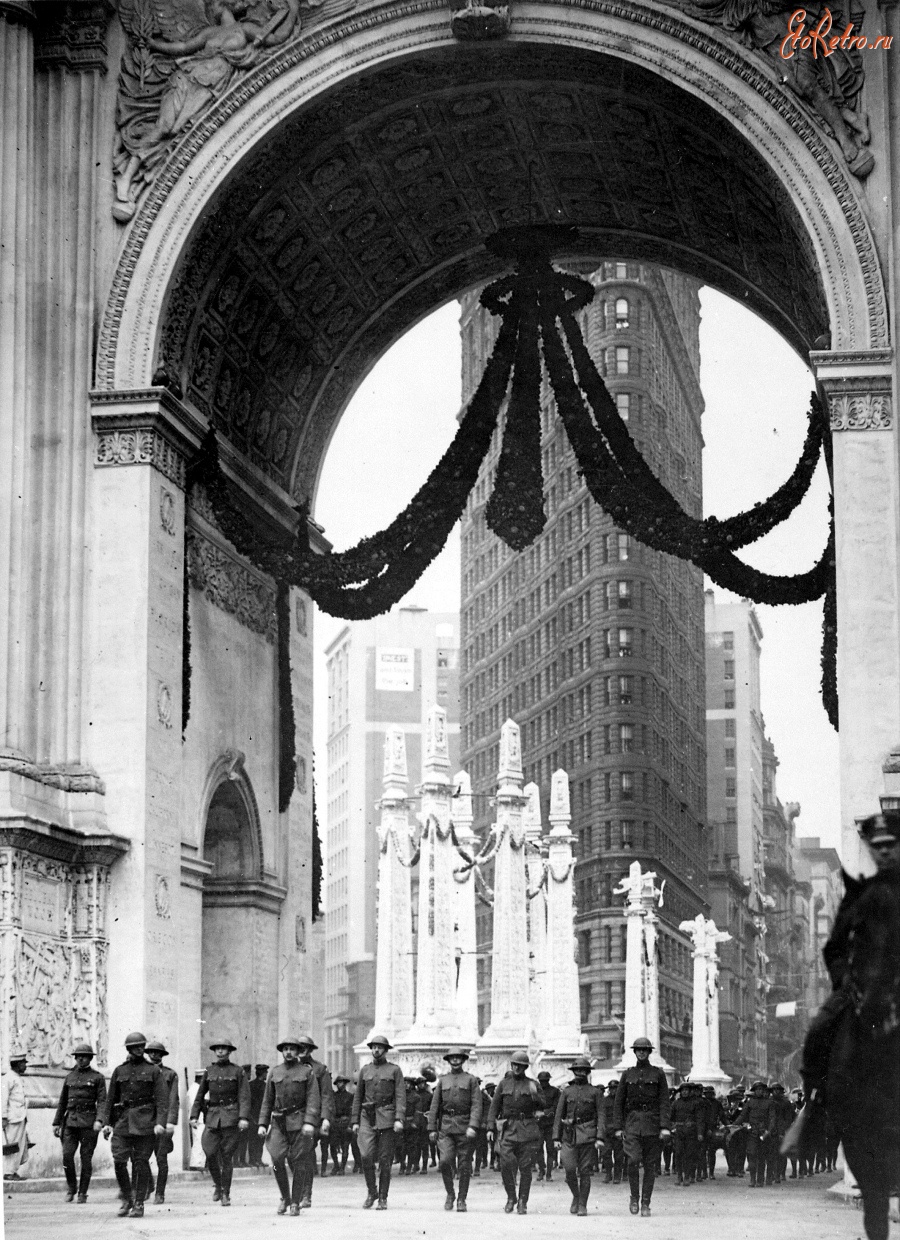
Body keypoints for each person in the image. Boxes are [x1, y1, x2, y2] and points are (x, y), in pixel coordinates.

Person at [100, 1031, 169, 1218]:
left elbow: (163, 1100)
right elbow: (110, 1099)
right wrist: (107, 1123)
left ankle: (138, 1203)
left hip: (145, 1123)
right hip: (122, 1123)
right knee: (119, 1161)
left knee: (140, 1163)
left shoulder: (154, 1071)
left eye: (141, 1046)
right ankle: (127, 1199)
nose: (139, 1049)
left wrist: (160, 1123)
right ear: (129, 1048)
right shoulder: (119, 1071)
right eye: (135, 1046)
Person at [258, 1035, 321, 1214]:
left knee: (299, 1161)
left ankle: (295, 1202)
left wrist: (309, 1122)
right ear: (282, 1051)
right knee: (276, 1158)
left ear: (298, 1051)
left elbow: (313, 1099)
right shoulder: (275, 1072)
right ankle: (285, 1197)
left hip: (299, 1121)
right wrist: (263, 1123)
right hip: (278, 1121)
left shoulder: (306, 1072)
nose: (288, 1052)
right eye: (285, 1049)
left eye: (292, 1049)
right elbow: (267, 1100)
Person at [611, 1036, 671, 1217]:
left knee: (651, 1166)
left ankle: (646, 1203)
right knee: (632, 1161)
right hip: (632, 1124)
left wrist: (664, 1126)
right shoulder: (628, 1074)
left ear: (649, 1052)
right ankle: (634, 1198)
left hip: (652, 1125)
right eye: (638, 1050)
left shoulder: (658, 1074)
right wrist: (618, 1127)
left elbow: (664, 1102)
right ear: (635, 1052)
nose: (642, 1052)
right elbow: (618, 1102)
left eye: (645, 1049)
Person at [189, 1037, 251, 1206]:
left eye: (224, 1048)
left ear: (229, 1051)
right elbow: (200, 1095)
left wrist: (243, 1117)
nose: (220, 1051)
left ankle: (225, 1193)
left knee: (226, 1156)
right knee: (209, 1152)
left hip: (231, 1119)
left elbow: (244, 1096)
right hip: (213, 1117)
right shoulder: (209, 1071)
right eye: (218, 1049)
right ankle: (218, 1183)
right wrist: (194, 1115)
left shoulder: (238, 1071)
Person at [487, 1050, 545, 1214]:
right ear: (511, 1065)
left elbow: (543, 1105)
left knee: (526, 1168)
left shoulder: (533, 1084)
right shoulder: (503, 1084)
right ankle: (511, 1197)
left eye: (521, 1066)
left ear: (525, 1067)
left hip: (527, 1130)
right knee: (505, 1165)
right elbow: (494, 1107)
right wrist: (490, 1127)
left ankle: (522, 1202)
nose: (517, 1068)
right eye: (515, 1065)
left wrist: (535, 1094)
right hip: (508, 1129)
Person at [351, 1033, 406, 1209]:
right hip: (367, 1116)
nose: (376, 1050)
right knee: (365, 1155)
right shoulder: (365, 1070)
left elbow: (400, 1095)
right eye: (373, 1047)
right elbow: (358, 1096)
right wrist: (355, 1120)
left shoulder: (394, 1070)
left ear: (385, 1050)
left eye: (379, 1047)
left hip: (387, 1118)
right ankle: (371, 1191)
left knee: (384, 1159)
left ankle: (382, 1197)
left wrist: (399, 1118)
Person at [427, 1049, 482, 1212]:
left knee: (465, 1165)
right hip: (446, 1128)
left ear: (463, 1060)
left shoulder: (471, 1080)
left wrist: (473, 1126)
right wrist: (432, 1127)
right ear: (449, 1060)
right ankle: (450, 1194)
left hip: (465, 1128)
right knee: (444, 1161)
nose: (456, 1060)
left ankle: (462, 1199)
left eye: (458, 1058)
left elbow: (476, 1105)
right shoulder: (443, 1081)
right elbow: (435, 1105)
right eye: (453, 1058)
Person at [53, 1042, 106, 1203]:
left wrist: (99, 1120)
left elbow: (102, 1101)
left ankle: (83, 1192)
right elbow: (62, 1101)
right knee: (67, 1156)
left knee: (85, 1158)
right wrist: (56, 1123)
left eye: (84, 1057)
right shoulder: (69, 1077)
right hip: (70, 1122)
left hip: (89, 1124)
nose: (81, 1059)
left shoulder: (98, 1077)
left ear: (90, 1058)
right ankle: (71, 1187)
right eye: (78, 1057)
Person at [553, 1056, 604, 1216]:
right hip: (568, 1135)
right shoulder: (567, 1092)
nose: (580, 1073)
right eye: (577, 1070)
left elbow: (601, 1116)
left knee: (585, 1171)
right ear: (574, 1072)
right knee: (569, 1170)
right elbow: (558, 1115)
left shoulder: (595, 1092)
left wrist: (600, 1137)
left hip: (588, 1135)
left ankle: (582, 1204)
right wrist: (556, 1137)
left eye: (583, 1070)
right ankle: (576, 1195)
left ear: (588, 1072)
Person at [295, 1033, 333, 1207]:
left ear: (310, 1050)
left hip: (312, 1118)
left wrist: (325, 1119)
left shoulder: (319, 1069)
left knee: (306, 1154)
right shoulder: (290, 1068)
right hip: (291, 1118)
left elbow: (326, 1096)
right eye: (299, 1047)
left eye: (305, 1047)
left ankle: (305, 1195)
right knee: (294, 1156)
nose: (302, 1051)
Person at [142, 1040, 179, 1203]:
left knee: (161, 1159)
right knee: (141, 1158)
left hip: (163, 1122)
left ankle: (160, 1193)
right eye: (151, 1052)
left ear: (162, 1055)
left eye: (158, 1052)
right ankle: (148, 1185)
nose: (154, 1055)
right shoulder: (142, 1072)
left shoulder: (170, 1074)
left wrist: (170, 1121)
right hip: (145, 1121)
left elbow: (173, 1099)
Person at [738, 1081, 775, 1187]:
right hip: (752, 1133)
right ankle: (752, 1179)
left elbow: (772, 1118)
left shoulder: (769, 1103)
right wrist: (733, 1125)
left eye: (761, 1090)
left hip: (764, 1134)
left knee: (762, 1158)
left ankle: (760, 1180)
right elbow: (742, 1115)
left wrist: (769, 1130)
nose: (760, 1091)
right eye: (757, 1089)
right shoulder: (749, 1103)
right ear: (754, 1091)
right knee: (752, 1156)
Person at [2, 1047, 29, 1182]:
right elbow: (3, 1099)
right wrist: (3, 1117)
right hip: (12, 1118)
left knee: (18, 1145)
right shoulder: (8, 1078)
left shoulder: (15, 1078)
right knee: (11, 1145)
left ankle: (12, 1170)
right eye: (24, 1063)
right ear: (18, 1064)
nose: (25, 1065)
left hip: (19, 1116)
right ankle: (8, 1172)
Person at [670, 1081, 704, 1187]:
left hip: (691, 1132)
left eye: (687, 1091)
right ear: (680, 1092)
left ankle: (687, 1176)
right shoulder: (676, 1103)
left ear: (690, 1092)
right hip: (679, 1132)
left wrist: (700, 1133)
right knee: (678, 1153)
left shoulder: (695, 1103)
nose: (685, 1092)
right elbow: (671, 1118)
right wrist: (671, 1128)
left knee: (689, 1155)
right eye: (683, 1091)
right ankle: (679, 1175)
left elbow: (699, 1119)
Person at [535, 1070, 560, 1181]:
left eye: (545, 1080)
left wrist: (544, 1113)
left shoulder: (555, 1092)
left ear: (549, 1080)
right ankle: (541, 1170)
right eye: (541, 1081)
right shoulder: (535, 1092)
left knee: (550, 1150)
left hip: (550, 1125)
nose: (543, 1082)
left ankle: (549, 1173)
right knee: (537, 1148)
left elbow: (557, 1108)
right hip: (538, 1125)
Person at [600, 1080, 624, 1183]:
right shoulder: (604, 1101)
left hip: (618, 1131)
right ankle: (608, 1174)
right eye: (612, 1088)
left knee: (619, 1155)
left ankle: (617, 1175)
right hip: (607, 1131)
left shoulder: (623, 1101)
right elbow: (602, 1115)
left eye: (615, 1088)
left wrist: (623, 1129)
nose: (613, 1090)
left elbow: (625, 1116)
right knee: (606, 1153)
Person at [330, 1075, 353, 1173]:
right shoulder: (333, 1096)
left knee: (345, 1146)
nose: (340, 1084)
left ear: (345, 1084)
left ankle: (342, 1167)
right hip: (335, 1123)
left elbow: (352, 1112)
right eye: (338, 1083)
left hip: (345, 1123)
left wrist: (350, 1125)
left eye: (341, 1082)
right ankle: (336, 1165)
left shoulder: (350, 1096)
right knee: (333, 1146)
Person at [248, 1064, 268, 1168]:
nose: (267, 1074)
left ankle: (256, 1160)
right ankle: (255, 1160)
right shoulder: (264, 1086)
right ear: (263, 1073)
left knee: (256, 1140)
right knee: (257, 1140)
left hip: (254, 1117)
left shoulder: (251, 1085)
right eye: (266, 1073)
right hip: (258, 1117)